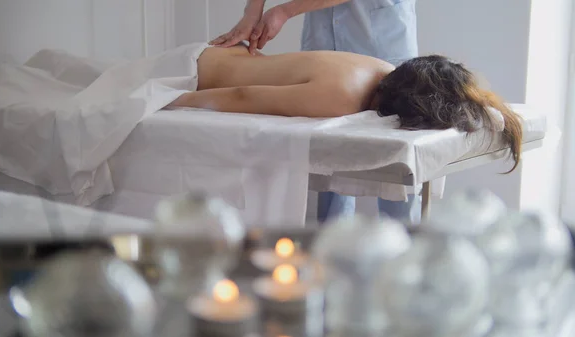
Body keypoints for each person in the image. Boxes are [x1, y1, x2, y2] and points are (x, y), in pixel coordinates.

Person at [208, 0, 424, 224]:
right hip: (324, 44)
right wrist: (251, 14)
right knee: (328, 156)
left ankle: (407, 246)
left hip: (380, 42)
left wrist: (284, 11)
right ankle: (327, 243)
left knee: (395, 164)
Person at [167, 42, 523, 172]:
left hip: (211, 58)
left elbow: (463, 95)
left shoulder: (383, 69)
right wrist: (170, 100)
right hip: (187, 73)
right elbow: (242, 96)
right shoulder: (341, 96)